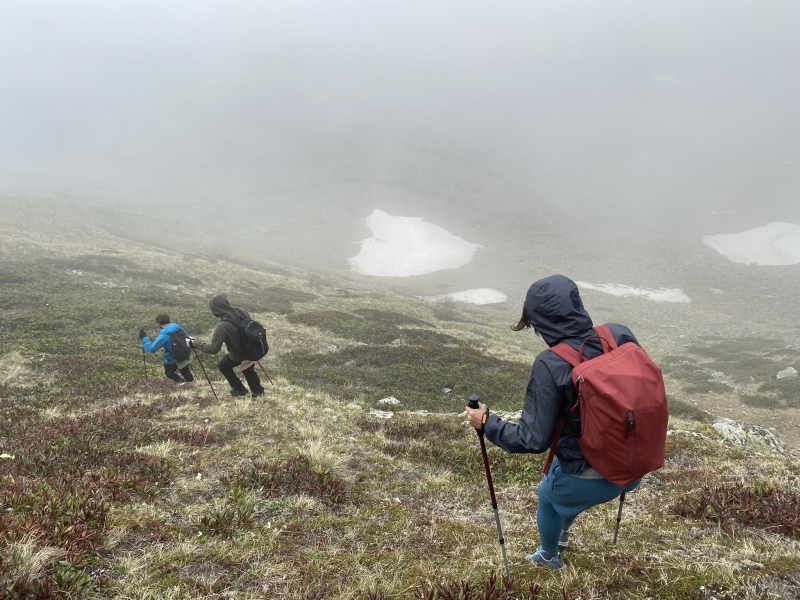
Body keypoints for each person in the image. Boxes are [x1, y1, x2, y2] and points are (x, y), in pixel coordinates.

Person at [466, 275, 642, 570]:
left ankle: (549, 556)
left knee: (547, 496)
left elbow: (531, 440)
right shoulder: (618, 334)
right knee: (563, 474)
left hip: (591, 479)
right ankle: (563, 530)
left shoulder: (551, 363)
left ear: (541, 321)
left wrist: (486, 422)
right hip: (635, 467)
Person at [187, 294, 264, 398]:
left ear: (215, 309)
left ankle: (240, 390)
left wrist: (195, 344)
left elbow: (213, 349)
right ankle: (259, 392)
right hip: (252, 349)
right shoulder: (242, 311)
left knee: (223, 366)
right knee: (248, 367)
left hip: (238, 354)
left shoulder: (222, 326)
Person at [140, 314, 194, 384]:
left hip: (172, 358)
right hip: (184, 354)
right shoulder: (178, 327)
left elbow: (152, 349)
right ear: (168, 321)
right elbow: (187, 337)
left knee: (169, 373)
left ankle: (181, 384)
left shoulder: (164, 335)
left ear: (159, 323)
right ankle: (191, 384)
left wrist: (144, 338)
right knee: (185, 370)